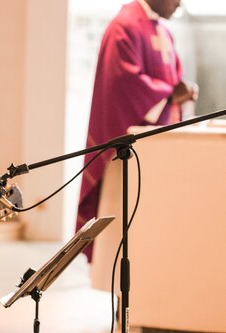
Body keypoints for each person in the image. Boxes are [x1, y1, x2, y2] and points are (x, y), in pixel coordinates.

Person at [76, 0, 198, 262]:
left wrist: (181, 92)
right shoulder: (125, 26)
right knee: (125, 237)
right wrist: (170, 94)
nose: (180, 4)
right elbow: (124, 85)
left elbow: (172, 83)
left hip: (160, 154)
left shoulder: (162, 30)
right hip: (129, 156)